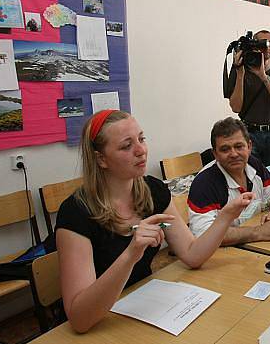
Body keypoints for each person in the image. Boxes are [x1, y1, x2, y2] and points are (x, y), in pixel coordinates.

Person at [55, 110, 250, 333]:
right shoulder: (76, 213)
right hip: (100, 324)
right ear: (101, 159)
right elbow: (80, 319)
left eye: (141, 139)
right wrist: (130, 255)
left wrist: (225, 216)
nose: (141, 150)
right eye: (126, 146)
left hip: (143, 310)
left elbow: (192, 254)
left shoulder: (152, 191)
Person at [188, 117, 270, 245]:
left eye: (239, 146)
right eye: (225, 149)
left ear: (249, 146)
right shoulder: (204, 183)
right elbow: (203, 234)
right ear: (215, 154)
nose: (234, 154)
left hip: (254, 246)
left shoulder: (253, 164)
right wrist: (258, 232)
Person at [226, 29, 270, 166]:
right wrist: (240, 74)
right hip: (248, 132)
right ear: (254, 46)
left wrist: (263, 76)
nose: (266, 47)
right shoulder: (240, 71)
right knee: (251, 174)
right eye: (262, 43)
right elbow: (236, 107)